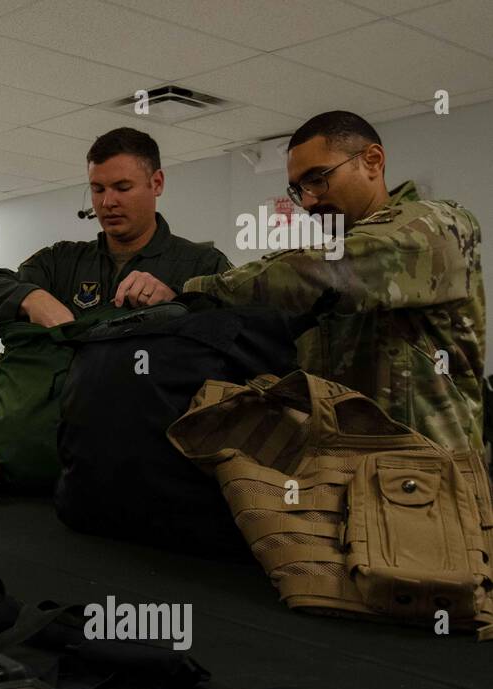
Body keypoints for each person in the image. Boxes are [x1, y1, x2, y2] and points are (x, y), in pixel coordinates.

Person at [173, 111, 482, 453]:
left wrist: (194, 290)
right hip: (340, 480)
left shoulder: (441, 226)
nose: (308, 201)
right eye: (298, 190)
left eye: (317, 179)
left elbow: (328, 270)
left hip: (430, 485)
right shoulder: (318, 273)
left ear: (372, 161)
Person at [0, 128, 231, 336]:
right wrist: (30, 297)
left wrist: (178, 304)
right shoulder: (62, 261)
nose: (108, 202)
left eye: (123, 187)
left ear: (157, 183)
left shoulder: (203, 263)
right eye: (98, 189)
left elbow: (243, 334)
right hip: (72, 403)